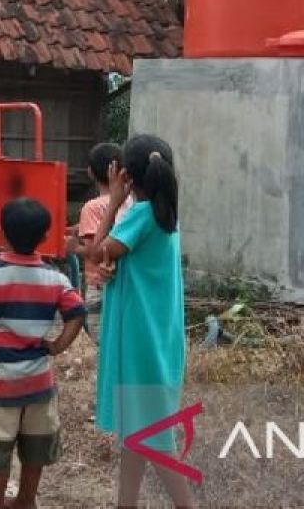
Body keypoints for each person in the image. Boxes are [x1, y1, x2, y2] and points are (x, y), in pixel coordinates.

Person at [0, 197, 86, 509]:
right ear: (44, 237)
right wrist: (57, 345)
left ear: (1, 232)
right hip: (38, 383)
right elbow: (77, 313)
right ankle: (26, 500)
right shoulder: (55, 277)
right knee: (34, 448)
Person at [87, 135, 194, 508]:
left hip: (142, 344)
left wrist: (114, 201)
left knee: (154, 441)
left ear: (125, 176)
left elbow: (96, 251)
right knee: (138, 437)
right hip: (156, 341)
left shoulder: (141, 216)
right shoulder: (164, 215)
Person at [65, 142, 126, 314]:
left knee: (100, 334)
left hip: (98, 282)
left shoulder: (92, 207)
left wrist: (75, 248)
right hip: (122, 279)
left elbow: (94, 251)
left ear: (90, 172)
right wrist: (77, 228)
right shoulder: (128, 199)